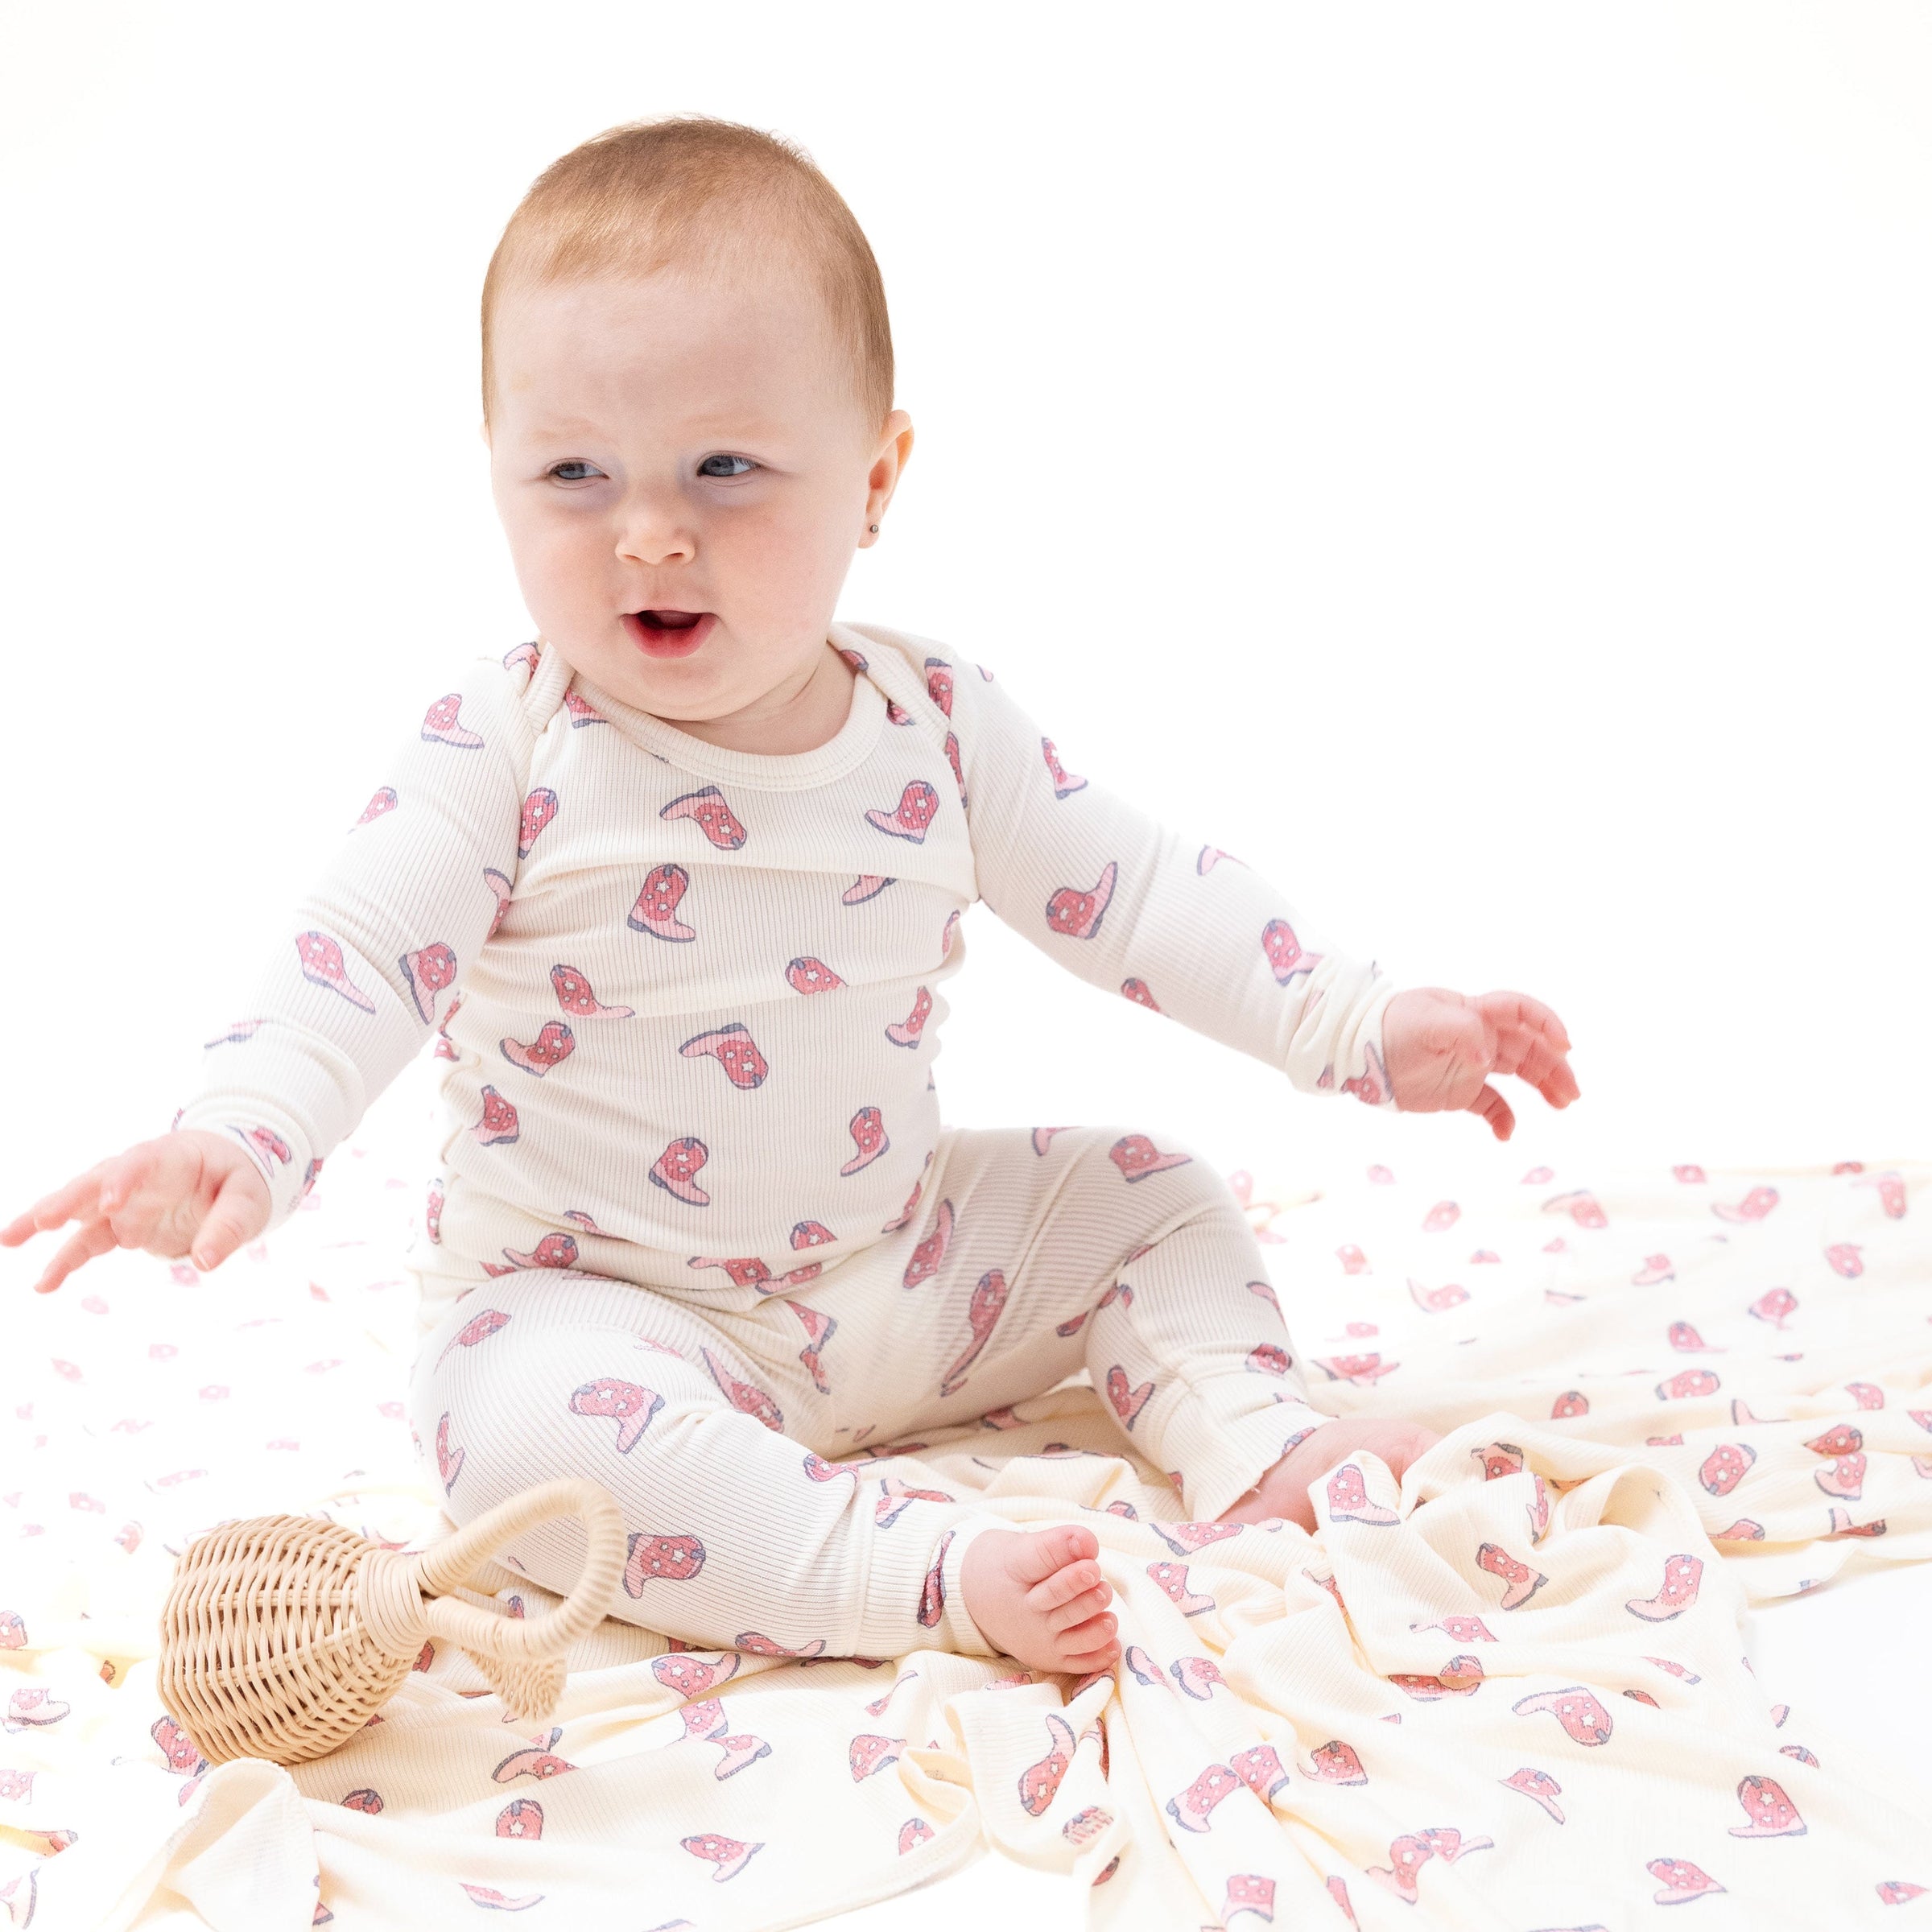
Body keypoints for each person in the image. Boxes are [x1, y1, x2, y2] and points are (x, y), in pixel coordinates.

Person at [1, 116, 1578, 1677]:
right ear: (495, 478)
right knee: (518, 1439)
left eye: (726, 469)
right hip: (593, 1312)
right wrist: (241, 1130)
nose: (650, 533)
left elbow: (1146, 897)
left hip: (901, 1274)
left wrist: (1357, 1023)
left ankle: (1259, 1438)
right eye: (574, 473)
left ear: (876, 479)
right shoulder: (509, 741)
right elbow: (356, 958)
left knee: (1150, 1197)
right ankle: (919, 1573)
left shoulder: (936, 726)